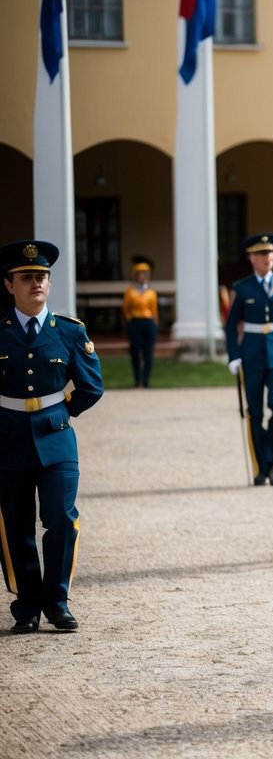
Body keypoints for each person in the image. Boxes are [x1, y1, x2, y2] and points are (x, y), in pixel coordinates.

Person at [0, 240, 104, 633]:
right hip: (7, 439)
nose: (36, 283)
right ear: (9, 285)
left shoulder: (70, 331)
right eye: (27, 277)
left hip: (56, 439)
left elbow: (91, 386)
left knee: (61, 519)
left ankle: (57, 603)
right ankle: (26, 605)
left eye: (42, 276)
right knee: (15, 525)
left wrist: (61, 414)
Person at [225, 233, 273, 486]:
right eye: (263, 253)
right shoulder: (242, 288)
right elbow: (231, 326)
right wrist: (234, 356)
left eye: (271, 252)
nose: (268, 257)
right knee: (254, 412)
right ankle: (261, 467)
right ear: (252, 258)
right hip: (252, 355)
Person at [122, 256, 158, 387]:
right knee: (135, 353)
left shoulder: (152, 292)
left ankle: (146, 380)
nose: (142, 277)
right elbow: (126, 308)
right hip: (135, 322)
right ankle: (137, 380)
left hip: (149, 323)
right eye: (139, 274)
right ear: (136, 276)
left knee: (148, 353)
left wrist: (155, 323)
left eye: (144, 274)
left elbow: (154, 310)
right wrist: (130, 321)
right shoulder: (130, 292)